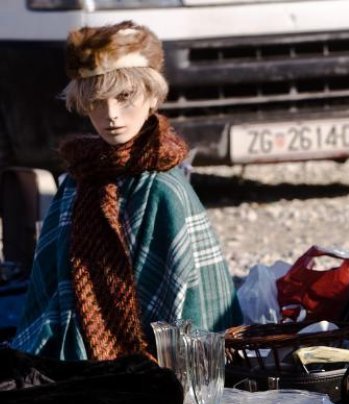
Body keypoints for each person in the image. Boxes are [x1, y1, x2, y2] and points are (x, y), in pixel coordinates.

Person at [11, 21, 241, 361]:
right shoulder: (77, 181)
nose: (111, 115)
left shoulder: (165, 188)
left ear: (151, 96)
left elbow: (192, 305)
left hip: (160, 363)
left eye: (125, 97)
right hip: (80, 359)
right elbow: (52, 291)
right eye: (97, 102)